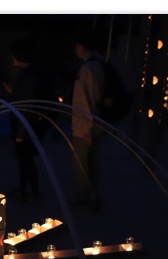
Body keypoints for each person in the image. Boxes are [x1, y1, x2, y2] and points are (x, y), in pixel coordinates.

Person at [4, 36, 55, 202]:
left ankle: (32, 193)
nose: (12, 58)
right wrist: (14, 92)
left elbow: (27, 106)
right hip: (31, 123)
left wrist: (20, 133)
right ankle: (24, 189)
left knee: (26, 159)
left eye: (13, 55)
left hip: (27, 125)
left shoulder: (29, 76)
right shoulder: (34, 72)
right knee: (25, 159)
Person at [71, 27, 105, 211]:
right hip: (93, 124)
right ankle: (91, 197)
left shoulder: (89, 68)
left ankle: (86, 199)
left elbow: (85, 100)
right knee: (90, 163)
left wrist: (86, 129)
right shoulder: (98, 64)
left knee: (82, 163)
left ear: (80, 46)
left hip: (86, 126)